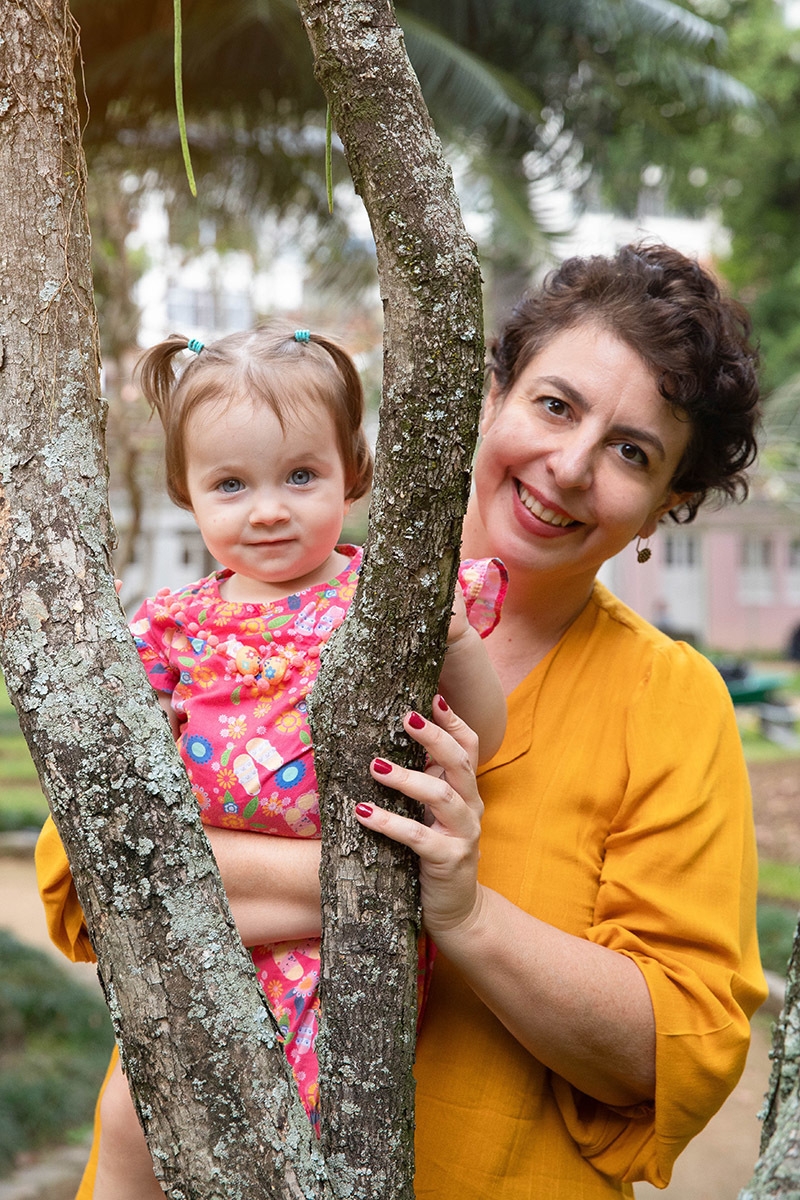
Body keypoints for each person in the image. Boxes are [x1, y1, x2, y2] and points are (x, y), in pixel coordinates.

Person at [37, 243, 768, 1199]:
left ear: (666, 506)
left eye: (633, 451)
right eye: (555, 405)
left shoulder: (669, 701)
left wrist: (465, 910)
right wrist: (401, 880)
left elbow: (676, 1051)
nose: (571, 465)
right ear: (489, 395)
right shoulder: (259, 602)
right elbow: (94, 875)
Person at [36, 320, 507, 1199]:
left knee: (306, 1117)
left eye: (300, 476)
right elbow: (112, 758)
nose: (267, 508)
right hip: (218, 922)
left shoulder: (384, 597)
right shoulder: (174, 624)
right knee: (137, 1115)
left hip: (339, 944)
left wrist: (456, 650)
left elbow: (488, 737)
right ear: (187, 492)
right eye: (230, 484)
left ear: (352, 473)